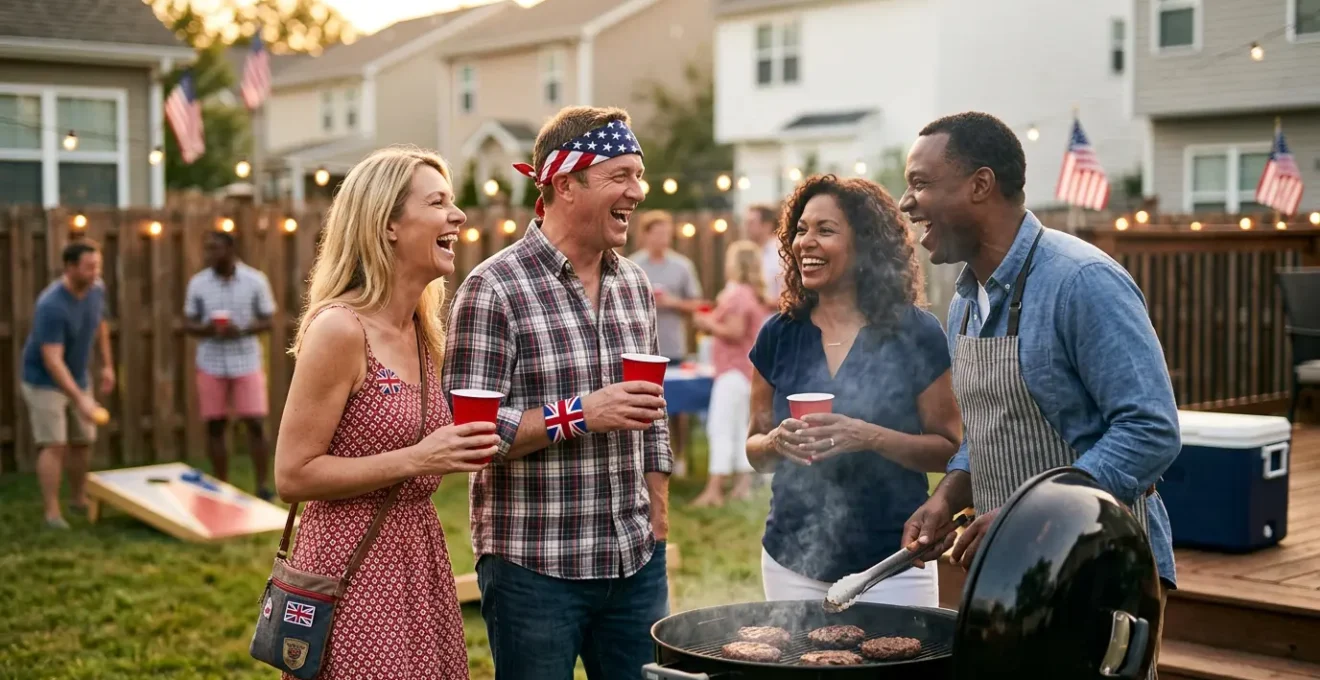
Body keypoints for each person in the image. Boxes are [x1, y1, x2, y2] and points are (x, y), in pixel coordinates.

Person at [898, 112, 1179, 677]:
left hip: (1098, 569)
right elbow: (989, 430)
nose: (907, 203)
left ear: (980, 184)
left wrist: (1024, 520)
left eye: (922, 184)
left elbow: (1151, 430)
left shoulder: (1081, 281)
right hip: (1011, 578)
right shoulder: (963, 301)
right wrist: (948, 496)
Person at [445, 105, 671, 680]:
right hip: (534, 570)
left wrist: (659, 521)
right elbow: (472, 435)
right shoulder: (493, 288)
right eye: (621, 176)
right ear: (566, 184)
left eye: (638, 175)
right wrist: (580, 414)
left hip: (634, 562)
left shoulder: (635, 285)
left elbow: (653, 413)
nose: (637, 192)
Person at [273, 146, 497, 680]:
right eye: (438, 202)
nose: (458, 216)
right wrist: (418, 458)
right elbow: (292, 474)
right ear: (388, 224)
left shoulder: (425, 333)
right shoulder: (340, 329)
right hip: (352, 572)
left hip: (419, 561)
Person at [744, 175, 962, 607]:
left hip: (895, 561)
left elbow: (950, 448)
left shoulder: (915, 333)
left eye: (825, 230)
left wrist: (867, 436)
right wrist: (775, 441)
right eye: (801, 230)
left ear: (865, 246)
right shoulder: (779, 334)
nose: (806, 242)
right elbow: (755, 450)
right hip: (792, 561)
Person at [20, 240, 115, 529]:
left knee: (83, 441)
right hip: (43, 380)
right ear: (70, 268)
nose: (95, 271)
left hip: (77, 375)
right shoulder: (51, 304)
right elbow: (52, 359)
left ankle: (78, 499)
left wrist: (107, 365)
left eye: (97, 265)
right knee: (55, 445)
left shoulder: (97, 289)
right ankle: (52, 512)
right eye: (89, 267)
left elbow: (100, 324)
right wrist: (81, 399)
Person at [184, 230, 278, 499]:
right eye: (208, 249)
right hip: (211, 362)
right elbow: (188, 322)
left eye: (215, 248)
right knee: (215, 425)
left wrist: (244, 329)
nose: (210, 254)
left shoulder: (255, 280)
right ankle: (221, 484)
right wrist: (207, 328)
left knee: (256, 423)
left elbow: (269, 319)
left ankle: (262, 485)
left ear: (230, 249)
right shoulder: (198, 284)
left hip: (246, 360)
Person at [690, 240, 771, 508]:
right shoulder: (754, 294)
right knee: (739, 429)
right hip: (746, 371)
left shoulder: (737, 296)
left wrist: (707, 323)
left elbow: (735, 332)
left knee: (721, 428)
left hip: (733, 371)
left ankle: (714, 490)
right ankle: (742, 486)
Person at [629, 209, 705, 361]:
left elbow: (697, 305)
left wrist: (672, 302)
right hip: (640, 348)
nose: (663, 239)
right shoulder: (632, 265)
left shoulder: (683, 265)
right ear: (646, 234)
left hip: (674, 348)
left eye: (666, 234)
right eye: (658, 234)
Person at [745, 203, 784, 302]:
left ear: (767, 225)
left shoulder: (780, 253)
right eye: (746, 223)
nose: (746, 228)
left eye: (751, 223)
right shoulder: (751, 252)